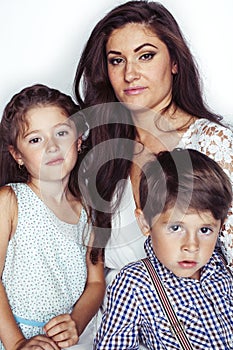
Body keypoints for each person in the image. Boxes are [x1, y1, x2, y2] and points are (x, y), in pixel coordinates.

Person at [74, 0, 233, 278]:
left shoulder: (212, 143)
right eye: (116, 60)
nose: (130, 74)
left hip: (188, 318)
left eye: (145, 56)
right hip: (108, 317)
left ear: (174, 62)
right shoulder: (100, 148)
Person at [94, 148, 233, 349]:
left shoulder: (223, 267)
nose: (191, 246)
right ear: (144, 223)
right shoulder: (134, 284)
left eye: (204, 230)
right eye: (176, 228)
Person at [0, 84, 105, 350]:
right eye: (36, 139)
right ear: (17, 154)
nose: (52, 146)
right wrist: (18, 344)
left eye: (61, 133)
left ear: (79, 140)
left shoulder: (90, 211)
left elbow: (96, 283)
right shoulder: (10, 200)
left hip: (67, 342)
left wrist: (76, 323)